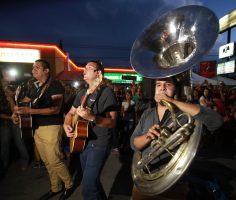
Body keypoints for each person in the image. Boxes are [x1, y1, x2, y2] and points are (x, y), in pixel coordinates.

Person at [130, 77, 223, 200]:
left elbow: (216, 121)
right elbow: (133, 144)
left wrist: (172, 102)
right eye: (158, 85)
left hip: (174, 183)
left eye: (167, 84)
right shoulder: (148, 113)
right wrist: (148, 136)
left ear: (176, 90)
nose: (162, 88)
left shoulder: (185, 114)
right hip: (145, 180)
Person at [12, 59, 73, 200]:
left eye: (37, 67)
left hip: (51, 127)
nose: (33, 70)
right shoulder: (35, 87)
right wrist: (15, 112)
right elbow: (23, 104)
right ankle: (55, 187)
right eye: (33, 67)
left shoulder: (55, 85)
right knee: (46, 161)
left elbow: (56, 109)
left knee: (54, 160)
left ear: (46, 71)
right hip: (37, 128)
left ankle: (69, 185)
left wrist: (30, 111)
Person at [63, 60, 118, 200]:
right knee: (92, 182)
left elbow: (112, 122)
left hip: (99, 143)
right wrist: (66, 124)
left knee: (87, 187)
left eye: (89, 68)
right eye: (84, 67)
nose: (84, 70)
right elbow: (70, 113)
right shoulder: (82, 92)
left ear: (98, 73)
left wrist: (93, 117)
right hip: (82, 141)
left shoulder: (106, 93)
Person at [0, 82, 29, 175]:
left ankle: (25, 160)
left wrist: (14, 116)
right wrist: (10, 118)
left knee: (19, 141)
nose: (6, 90)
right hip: (4, 122)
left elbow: (14, 110)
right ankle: (4, 165)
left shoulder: (9, 96)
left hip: (13, 121)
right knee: (4, 144)